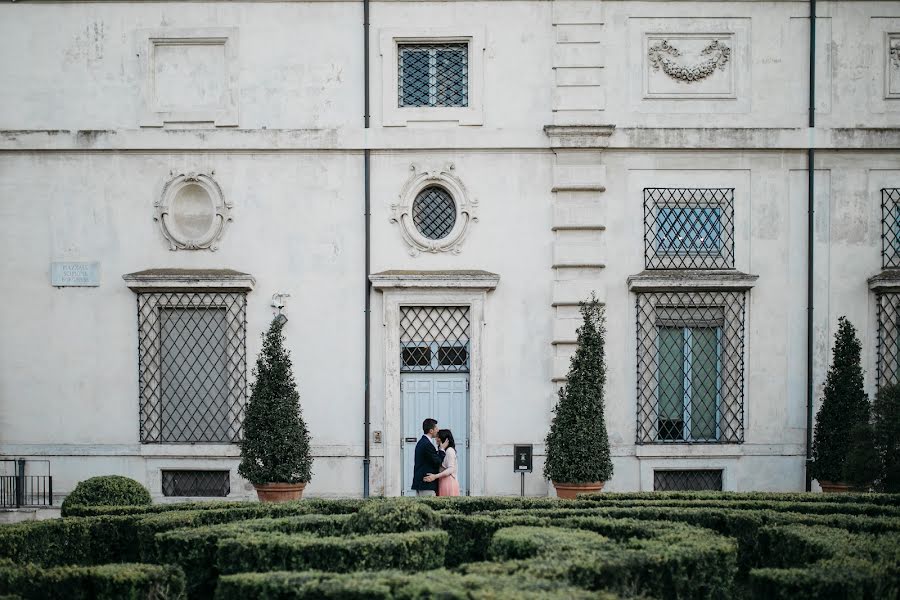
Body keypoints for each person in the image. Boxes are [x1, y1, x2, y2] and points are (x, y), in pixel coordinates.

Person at [412, 418, 445, 497]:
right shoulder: (427, 444)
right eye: (436, 428)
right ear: (431, 431)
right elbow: (437, 461)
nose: (438, 430)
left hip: (421, 484)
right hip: (426, 485)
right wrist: (442, 450)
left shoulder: (422, 442)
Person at [424, 429, 460, 497]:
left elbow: (451, 469)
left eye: (438, 437)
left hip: (448, 482)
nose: (436, 439)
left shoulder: (450, 451)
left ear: (443, 439)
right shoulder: (442, 451)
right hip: (442, 481)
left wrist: (435, 476)